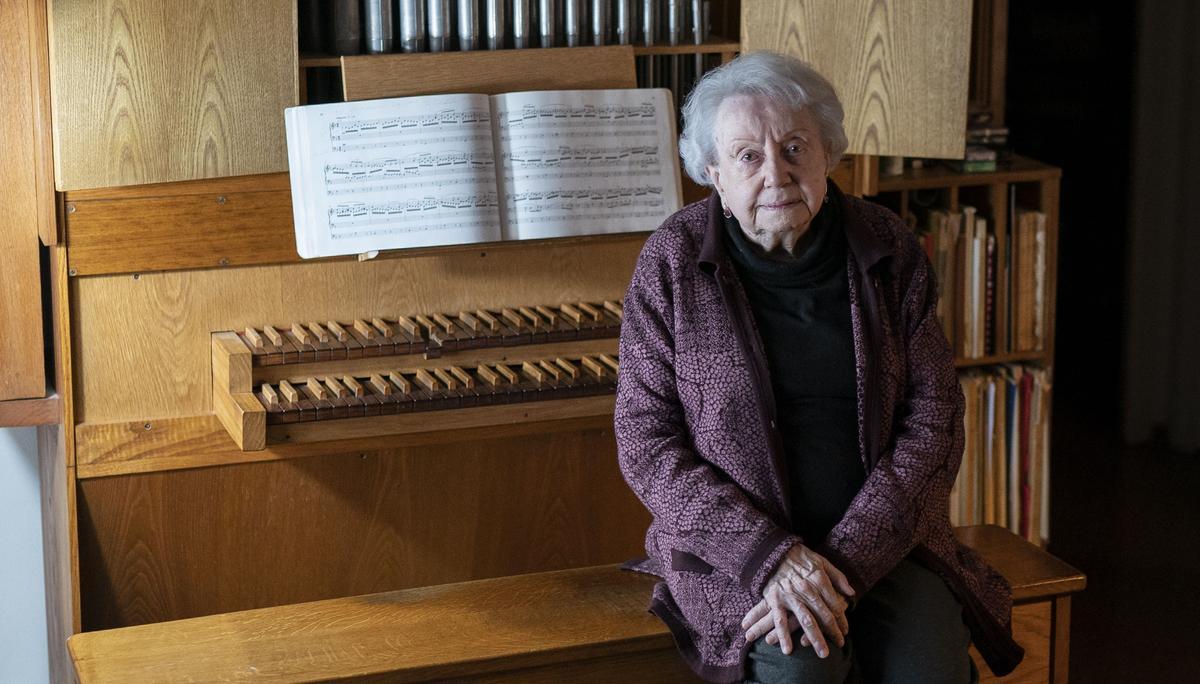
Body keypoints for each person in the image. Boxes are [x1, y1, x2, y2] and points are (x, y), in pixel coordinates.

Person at [613, 51, 1023, 683]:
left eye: (795, 147)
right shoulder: (670, 262)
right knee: (803, 670)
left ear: (828, 154)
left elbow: (935, 420)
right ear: (715, 175)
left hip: (885, 543)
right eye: (748, 155)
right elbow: (646, 443)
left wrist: (843, 564)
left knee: (932, 665)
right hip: (738, 557)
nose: (775, 173)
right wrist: (772, 558)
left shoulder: (888, 247)